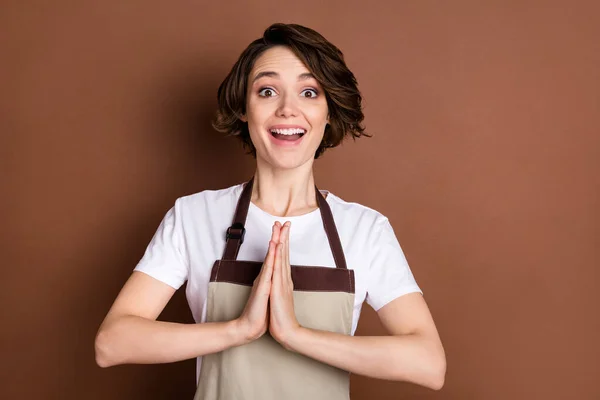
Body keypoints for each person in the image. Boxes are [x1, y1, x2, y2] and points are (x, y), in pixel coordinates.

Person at [95, 23, 446, 399]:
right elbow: (112, 343)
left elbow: (428, 363)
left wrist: (296, 335)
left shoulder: (364, 229)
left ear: (329, 113)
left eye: (309, 92)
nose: (287, 109)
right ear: (245, 110)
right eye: (267, 91)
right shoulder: (193, 216)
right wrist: (238, 329)